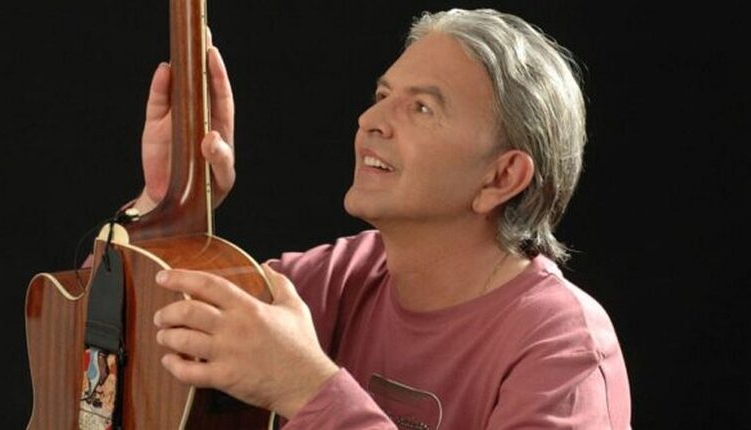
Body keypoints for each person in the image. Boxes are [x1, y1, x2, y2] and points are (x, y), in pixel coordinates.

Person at [137, 8, 631, 429]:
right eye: (381, 97)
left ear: (501, 177)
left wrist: (308, 389)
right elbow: (129, 357)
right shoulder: (343, 276)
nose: (370, 121)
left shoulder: (565, 350)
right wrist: (164, 205)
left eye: (422, 108)